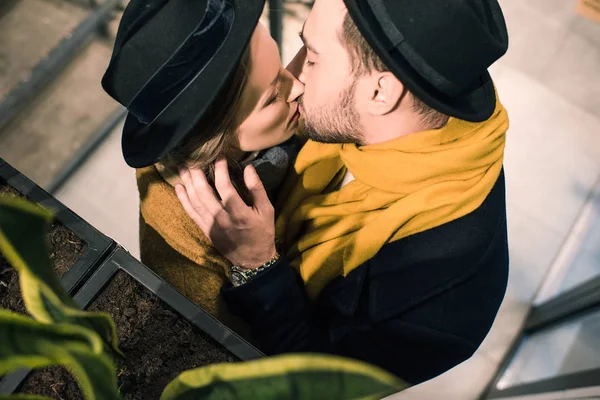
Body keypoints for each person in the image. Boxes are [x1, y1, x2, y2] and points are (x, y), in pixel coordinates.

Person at [175, 0, 511, 385]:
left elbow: (318, 385)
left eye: (314, 59)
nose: (295, 77)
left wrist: (257, 265)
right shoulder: (426, 86)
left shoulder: (440, 304)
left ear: (380, 93)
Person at [101, 0, 304, 336]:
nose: (298, 86)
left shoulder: (279, 128)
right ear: (216, 136)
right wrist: (257, 267)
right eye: (271, 98)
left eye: (281, 64)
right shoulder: (185, 250)